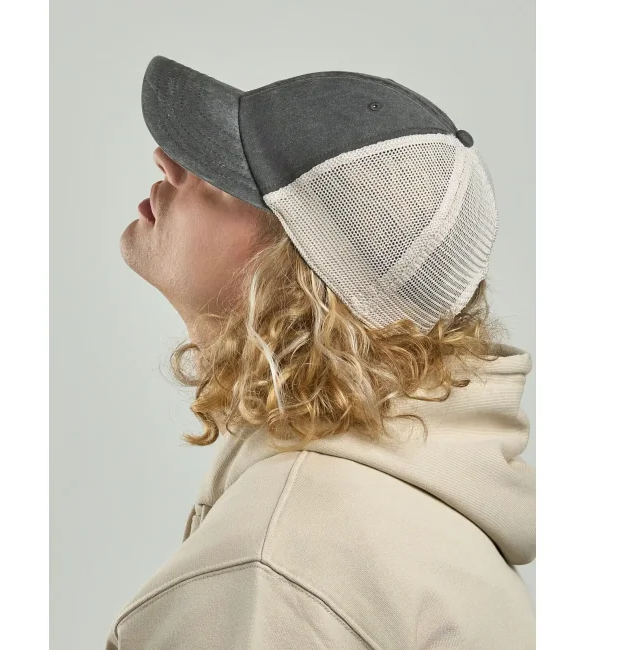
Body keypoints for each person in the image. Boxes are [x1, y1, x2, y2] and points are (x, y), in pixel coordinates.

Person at [107, 55, 535, 649]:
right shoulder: (429, 519)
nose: (167, 161)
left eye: (224, 176)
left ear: (291, 272)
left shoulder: (274, 568)